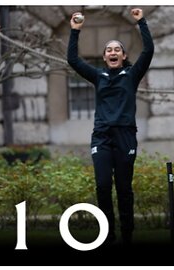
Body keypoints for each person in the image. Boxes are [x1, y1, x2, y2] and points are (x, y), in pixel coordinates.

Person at [67, 8, 154, 246]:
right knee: (103, 186)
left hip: (125, 136)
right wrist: (75, 31)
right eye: (109, 50)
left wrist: (141, 22)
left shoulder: (132, 74)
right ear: (105, 57)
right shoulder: (98, 75)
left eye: (117, 49)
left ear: (123, 56)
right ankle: (108, 233)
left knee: (124, 188)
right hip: (102, 137)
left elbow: (148, 51)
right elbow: (73, 60)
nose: (113, 52)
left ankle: (127, 235)